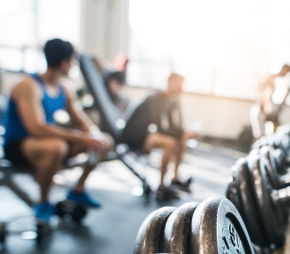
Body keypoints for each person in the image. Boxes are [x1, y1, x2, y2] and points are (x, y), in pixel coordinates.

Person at [2, 38, 113, 223]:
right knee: (57, 147)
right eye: (73, 62)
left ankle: (78, 190)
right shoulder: (28, 86)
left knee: (105, 140)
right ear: (64, 62)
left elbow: (81, 120)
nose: (73, 66)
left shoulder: (64, 89)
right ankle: (43, 201)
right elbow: (36, 128)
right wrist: (81, 138)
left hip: (46, 143)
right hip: (19, 145)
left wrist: (94, 136)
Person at [121, 73, 198, 200]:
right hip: (133, 136)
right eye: (179, 85)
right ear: (170, 83)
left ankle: (174, 178)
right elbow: (160, 127)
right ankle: (161, 187)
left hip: (145, 133)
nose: (181, 89)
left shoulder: (169, 101)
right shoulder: (156, 99)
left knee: (180, 141)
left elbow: (173, 126)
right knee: (169, 143)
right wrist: (183, 133)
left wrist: (183, 133)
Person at [249, 64, 290, 139]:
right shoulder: (270, 79)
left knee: (259, 137)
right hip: (260, 111)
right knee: (260, 138)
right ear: (283, 69)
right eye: (287, 73)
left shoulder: (271, 78)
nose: (286, 75)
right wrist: (269, 112)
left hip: (259, 110)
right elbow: (266, 97)